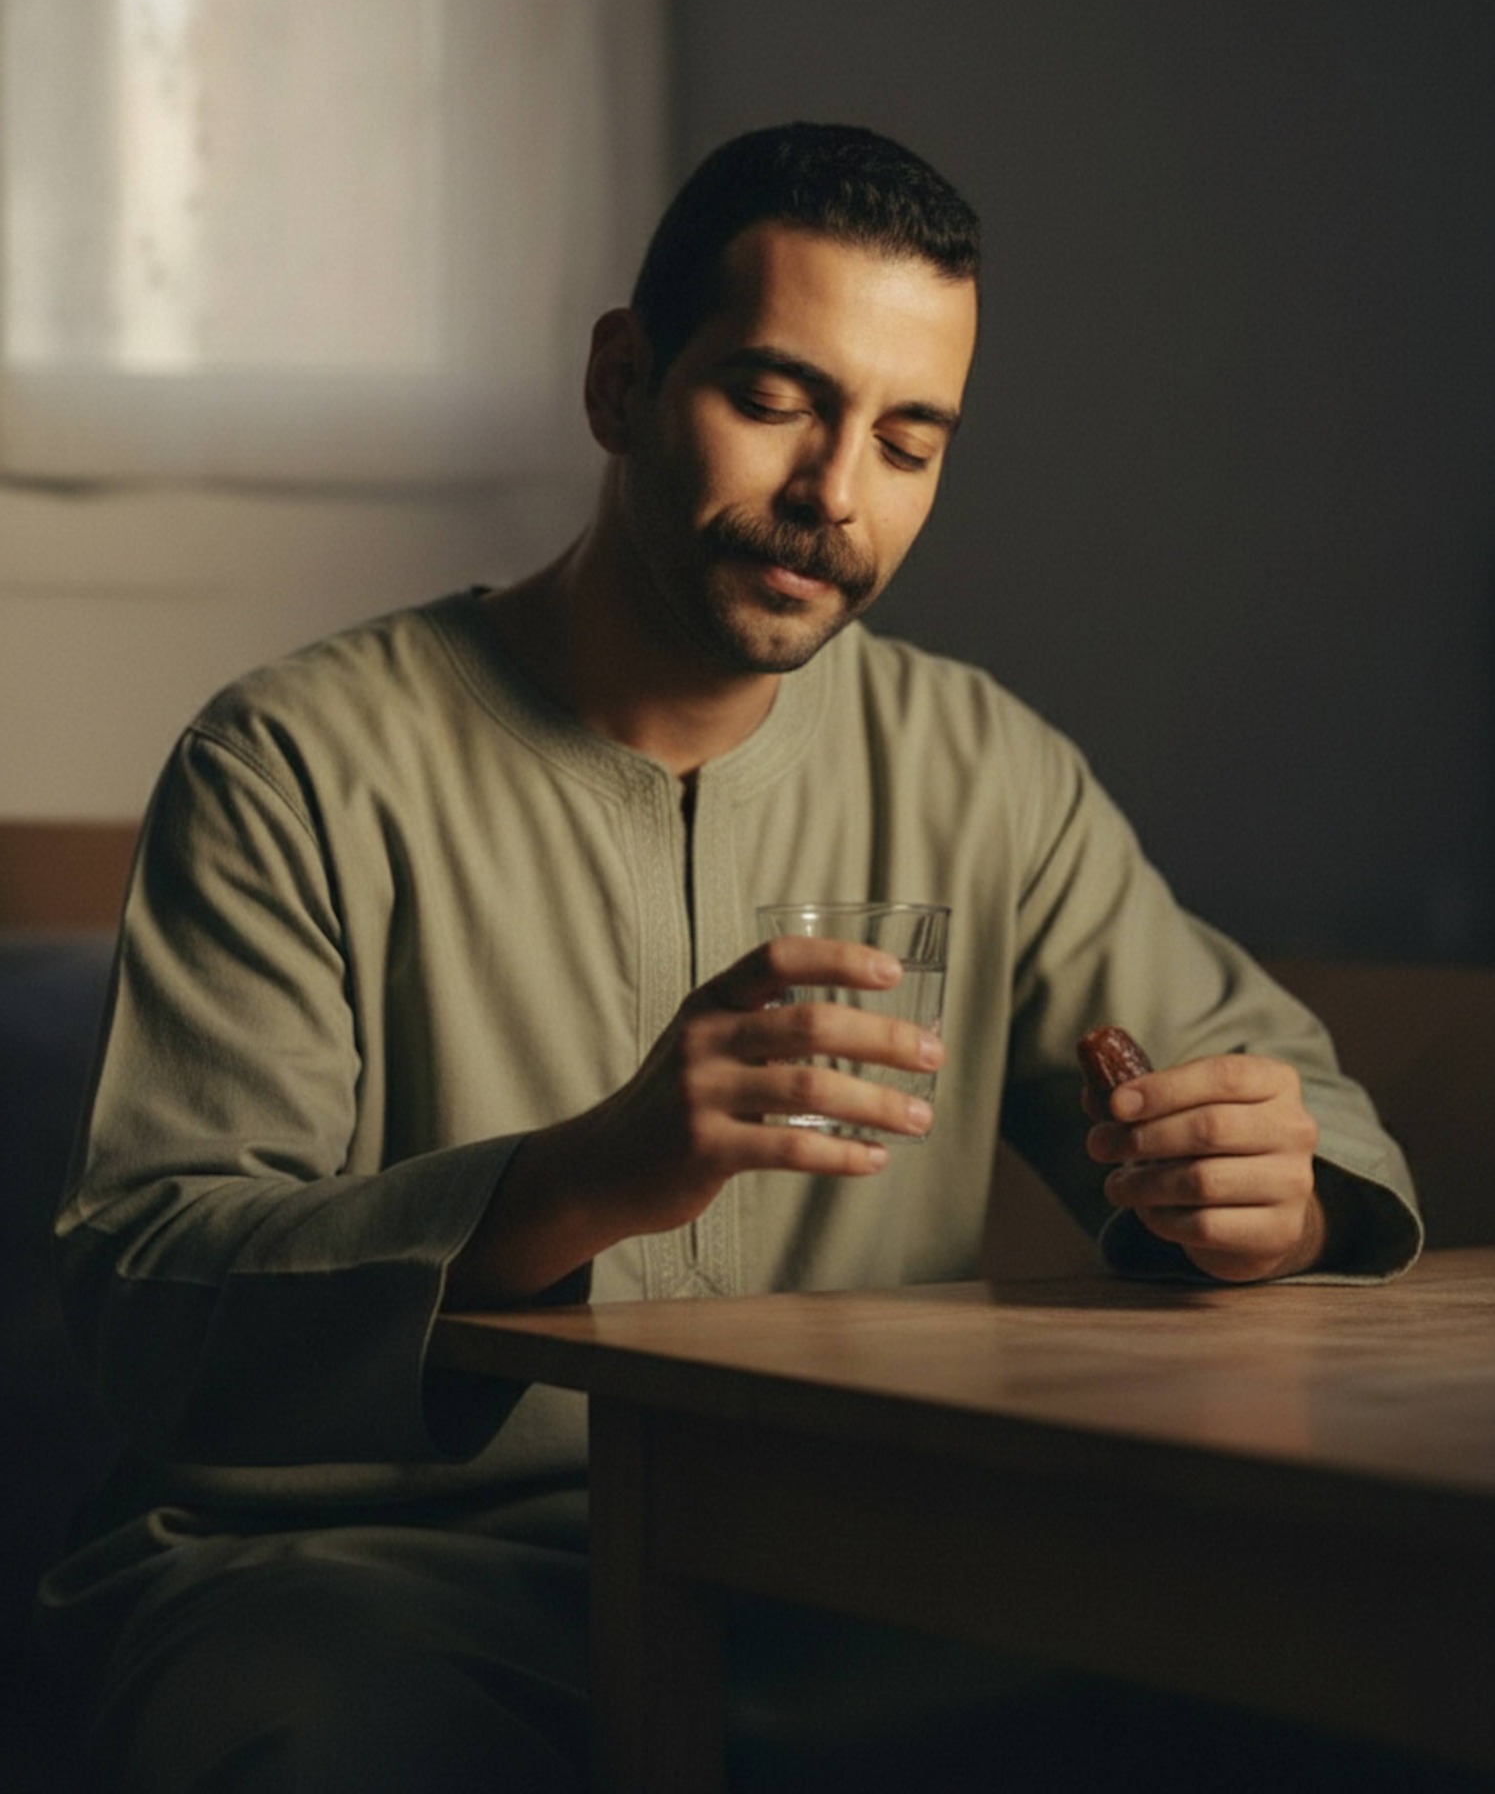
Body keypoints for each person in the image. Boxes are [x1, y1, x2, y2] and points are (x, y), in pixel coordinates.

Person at [45, 124, 1421, 1792]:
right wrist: (582, 1177)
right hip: (383, 1583)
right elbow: (147, 1295)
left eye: (908, 441)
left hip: (854, 1582)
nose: (834, 497)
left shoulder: (984, 771)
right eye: (778, 401)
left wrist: (1278, 1194)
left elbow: (1302, 1110)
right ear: (621, 383)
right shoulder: (296, 765)